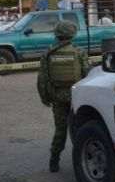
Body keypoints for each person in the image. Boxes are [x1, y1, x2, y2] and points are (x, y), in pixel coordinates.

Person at [37, 21, 91, 172]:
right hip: (77, 98)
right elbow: (88, 75)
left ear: (57, 34)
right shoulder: (79, 52)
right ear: (71, 34)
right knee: (80, 129)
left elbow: (42, 78)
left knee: (60, 129)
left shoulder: (48, 52)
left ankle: (54, 160)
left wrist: (45, 98)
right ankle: (82, 160)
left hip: (57, 98)